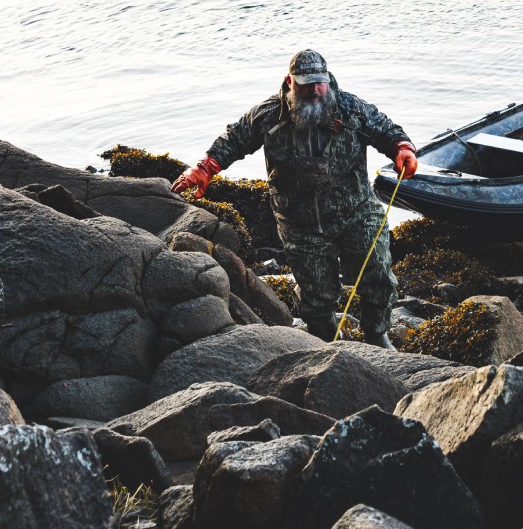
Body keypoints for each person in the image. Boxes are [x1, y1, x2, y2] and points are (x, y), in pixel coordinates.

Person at [172, 49, 418, 346]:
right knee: (316, 295)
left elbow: (388, 131)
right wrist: (204, 169)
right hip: (298, 221)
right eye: (306, 82)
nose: (315, 89)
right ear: (290, 81)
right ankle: (324, 340)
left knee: (378, 274)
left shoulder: (352, 109)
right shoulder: (267, 115)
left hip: (356, 211)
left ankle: (377, 334)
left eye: (320, 82)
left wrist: (403, 148)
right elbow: (234, 140)